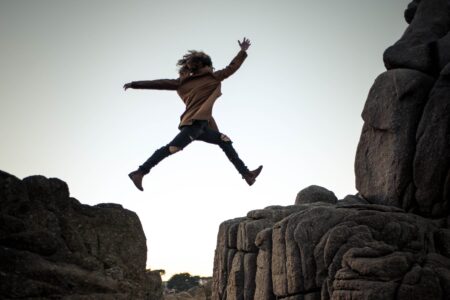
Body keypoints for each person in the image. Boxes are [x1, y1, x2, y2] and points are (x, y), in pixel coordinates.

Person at [124, 37, 262, 191]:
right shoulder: (210, 77)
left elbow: (159, 83)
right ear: (206, 65)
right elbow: (232, 67)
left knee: (224, 141)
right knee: (172, 148)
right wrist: (242, 51)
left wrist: (135, 84)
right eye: (210, 65)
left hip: (202, 126)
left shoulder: (185, 82)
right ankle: (140, 172)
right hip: (193, 124)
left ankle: (247, 175)